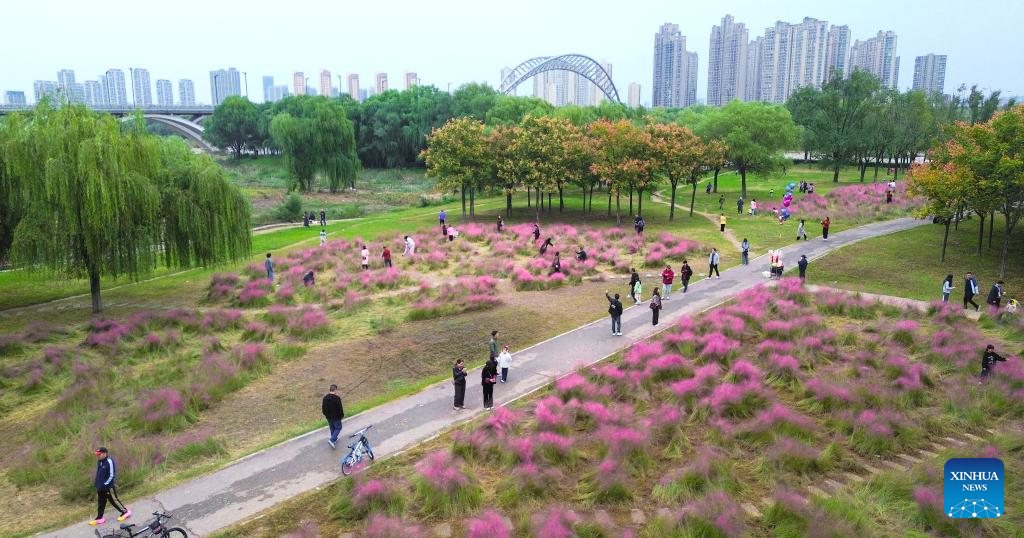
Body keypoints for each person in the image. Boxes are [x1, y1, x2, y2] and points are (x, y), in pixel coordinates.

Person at [89, 447, 130, 526]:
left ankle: (125, 512)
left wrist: (105, 484)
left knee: (114, 500)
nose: (97, 456)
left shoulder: (109, 461)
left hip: (108, 487)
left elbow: (111, 475)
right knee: (101, 503)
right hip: (100, 487)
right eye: (97, 454)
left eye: (99, 454)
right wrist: (97, 483)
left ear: (104, 454)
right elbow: (99, 473)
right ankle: (100, 517)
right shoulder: (99, 461)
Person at [322, 384, 345, 448]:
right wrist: (342, 415)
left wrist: (325, 414)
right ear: (335, 390)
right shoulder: (337, 398)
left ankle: (334, 439)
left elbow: (323, 408)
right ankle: (331, 440)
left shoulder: (325, 398)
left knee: (332, 428)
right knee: (338, 428)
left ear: (330, 389)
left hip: (328, 417)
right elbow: (340, 408)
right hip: (336, 417)